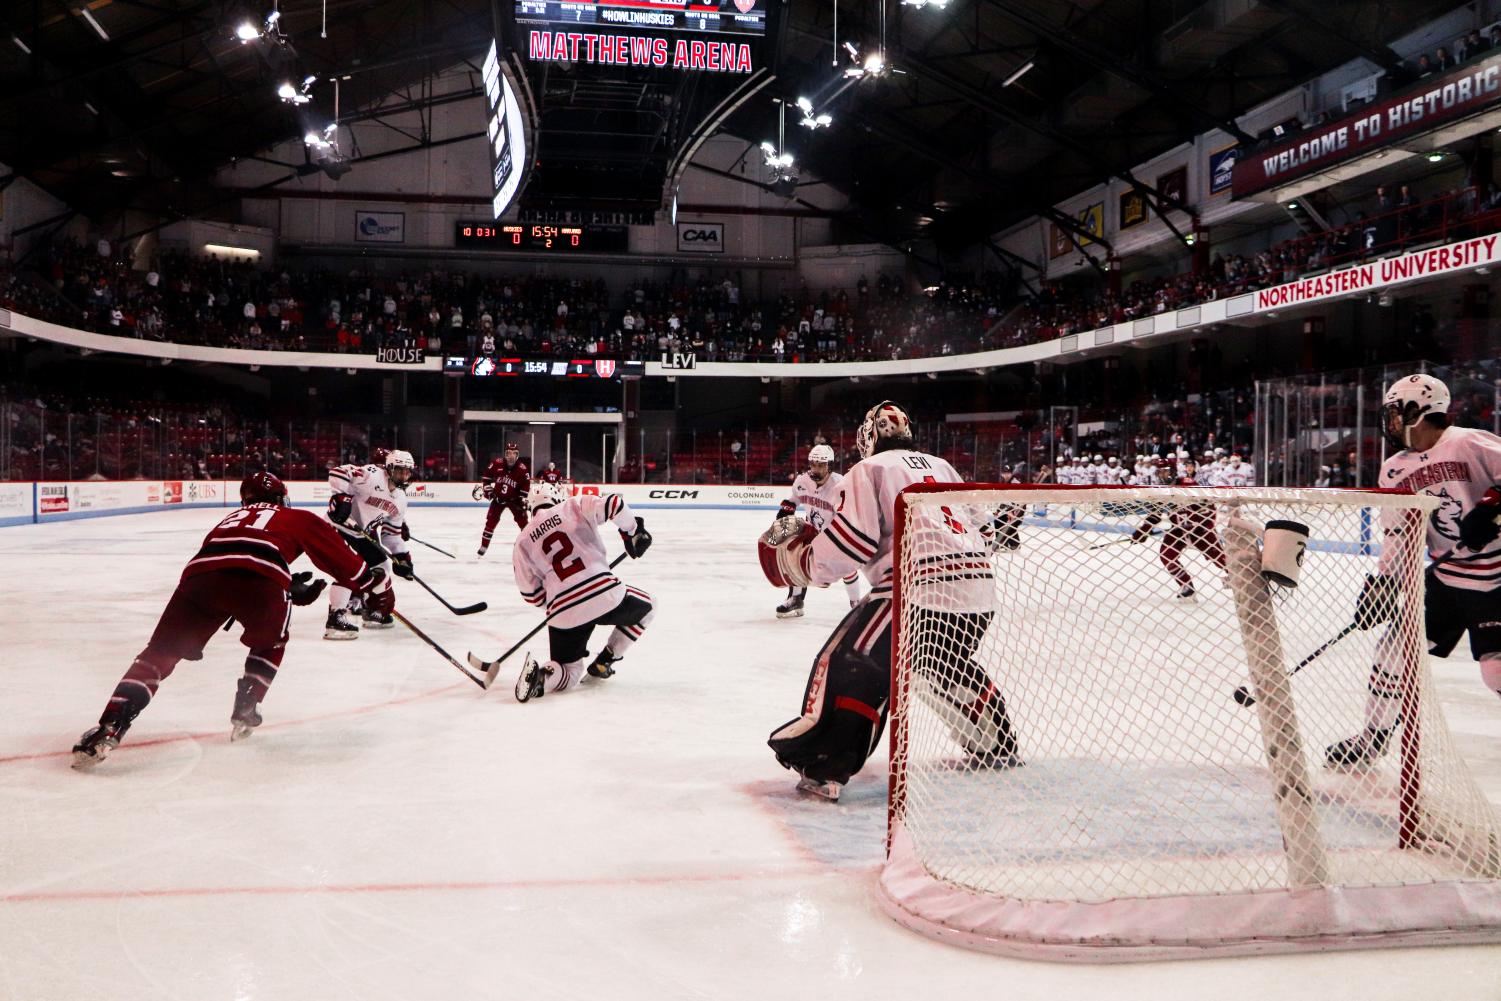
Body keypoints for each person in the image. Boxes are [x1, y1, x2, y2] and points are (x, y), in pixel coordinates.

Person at [759, 401, 1021, 802]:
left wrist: (803, 564)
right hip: (977, 589)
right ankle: (994, 742)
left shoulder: (869, 469)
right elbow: (984, 531)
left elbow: (852, 542)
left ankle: (825, 763)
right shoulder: (942, 465)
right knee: (940, 663)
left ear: (871, 435)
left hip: (916, 588)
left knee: (851, 662)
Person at [71, 473, 392, 768]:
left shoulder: (231, 518)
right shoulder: (295, 516)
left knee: (157, 655)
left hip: (200, 579)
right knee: (270, 643)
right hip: (262, 580)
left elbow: (234, 559)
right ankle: (247, 705)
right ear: (282, 498)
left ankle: (110, 725)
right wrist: (368, 582)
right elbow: (343, 563)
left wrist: (286, 585)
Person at [1327, 374, 1501, 765]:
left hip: (1497, 580)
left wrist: (1491, 508)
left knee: (1496, 672)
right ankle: (1373, 738)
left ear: (1417, 410)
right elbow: (1399, 533)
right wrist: (1385, 583)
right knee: (1392, 652)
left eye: (1394, 412)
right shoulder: (1394, 469)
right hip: (1446, 580)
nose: (1388, 422)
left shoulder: (1470, 442)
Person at [511, 482, 655, 702]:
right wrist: (632, 532)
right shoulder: (572, 505)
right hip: (604, 594)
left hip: (562, 613)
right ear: (557, 496)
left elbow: (531, 595)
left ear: (530, 507)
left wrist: (556, 602)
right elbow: (615, 503)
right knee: (649, 606)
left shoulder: (522, 541)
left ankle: (541, 677)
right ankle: (606, 660)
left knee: (569, 672)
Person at [324, 449, 415, 638]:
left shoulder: (401, 499)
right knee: (350, 570)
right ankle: (336, 617)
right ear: (389, 468)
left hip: (361, 533)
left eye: (407, 471)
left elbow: (392, 535)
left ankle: (371, 609)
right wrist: (341, 497)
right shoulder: (373, 475)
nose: (403, 475)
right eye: (399, 470)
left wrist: (402, 557)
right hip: (338, 527)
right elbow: (339, 472)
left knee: (382, 567)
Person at [771, 444, 864, 618]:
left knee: (848, 566)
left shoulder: (840, 485)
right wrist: (785, 512)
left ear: (830, 465)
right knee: (796, 560)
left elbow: (848, 516)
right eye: (813, 464)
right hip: (812, 532)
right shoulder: (802, 481)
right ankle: (796, 599)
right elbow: (793, 500)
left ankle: (856, 604)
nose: (816, 468)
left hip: (835, 534)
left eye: (821, 465)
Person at [1130, 460, 1227, 600]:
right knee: (1166, 555)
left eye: (1165, 471)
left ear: (1173, 471)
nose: (1163, 475)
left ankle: (1244, 580)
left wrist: (1205, 525)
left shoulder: (1188, 484)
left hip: (1200, 530)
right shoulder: (1161, 491)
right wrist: (1143, 531)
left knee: (1220, 559)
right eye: (1160, 472)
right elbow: (1155, 514)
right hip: (1178, 531)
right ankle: (1187, 586)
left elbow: (1209, 506)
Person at [476, 442, 530, 556]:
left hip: (514, 500)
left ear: (517, 455)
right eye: (508, 453)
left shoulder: (522, 469)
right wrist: (490, 492)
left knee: (524, 523)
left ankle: (531, 546)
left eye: (514, 453)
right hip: (498, 498)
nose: (511, 456)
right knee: (490, 522)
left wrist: (521, 500)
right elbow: (486, 479)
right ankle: (484, 546)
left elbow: (525, 487)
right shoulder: (497, 463)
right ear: (505, 454)